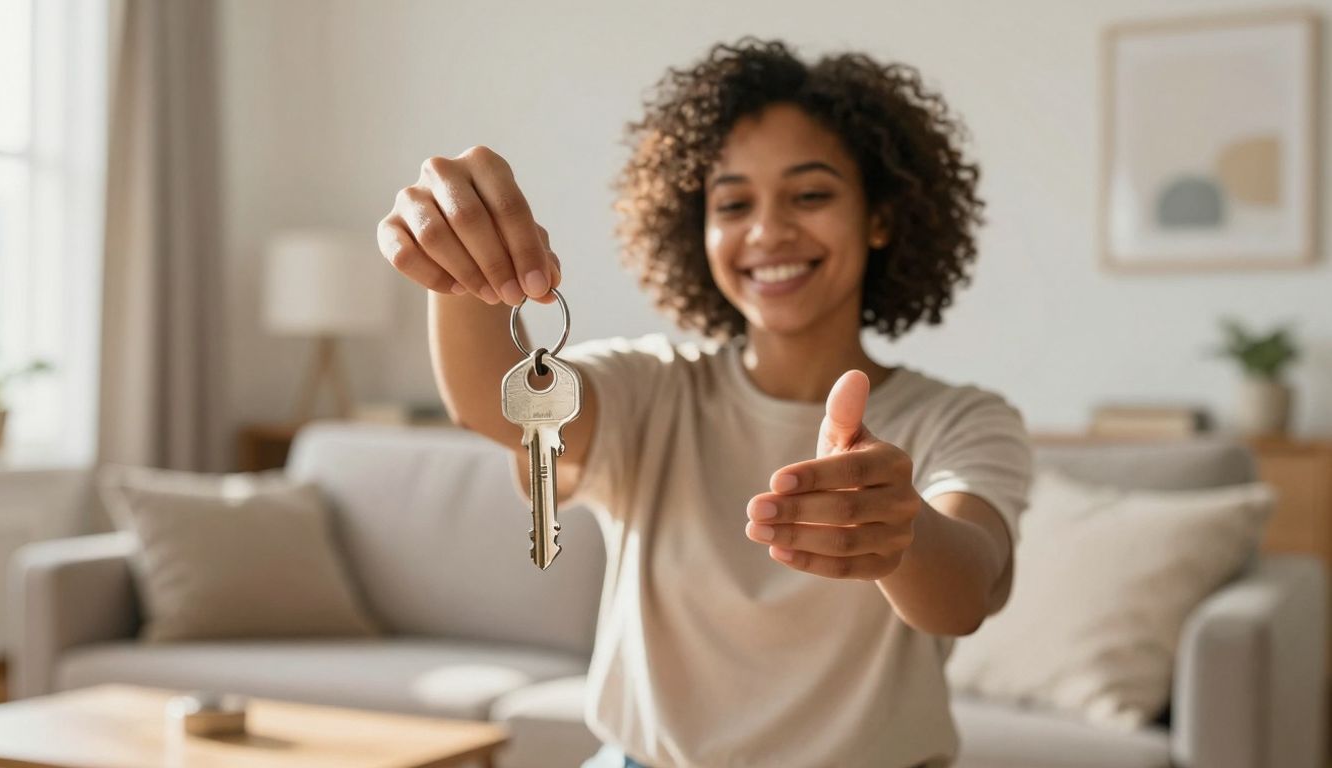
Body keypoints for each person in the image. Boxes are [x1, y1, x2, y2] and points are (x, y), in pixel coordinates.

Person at [377, 37, 1032, 768]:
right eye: (734, 203)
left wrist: (901, 531)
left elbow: (963, 594)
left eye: (811, 195)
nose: (768, 231)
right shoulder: (651, 389)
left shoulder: (964, 420)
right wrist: (464, 267)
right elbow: (494, 401)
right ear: (699, 230)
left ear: (879, 217)